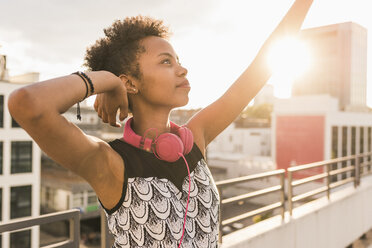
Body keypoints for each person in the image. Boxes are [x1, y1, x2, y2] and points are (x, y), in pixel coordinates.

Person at [8, 0, 313, 247]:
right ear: (131, 82)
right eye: (167, 62)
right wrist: (106, 81)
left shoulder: (195, 137)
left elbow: (260, 70)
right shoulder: (110, 163)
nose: (182, 69)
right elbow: (26, 104)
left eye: (178, 60)